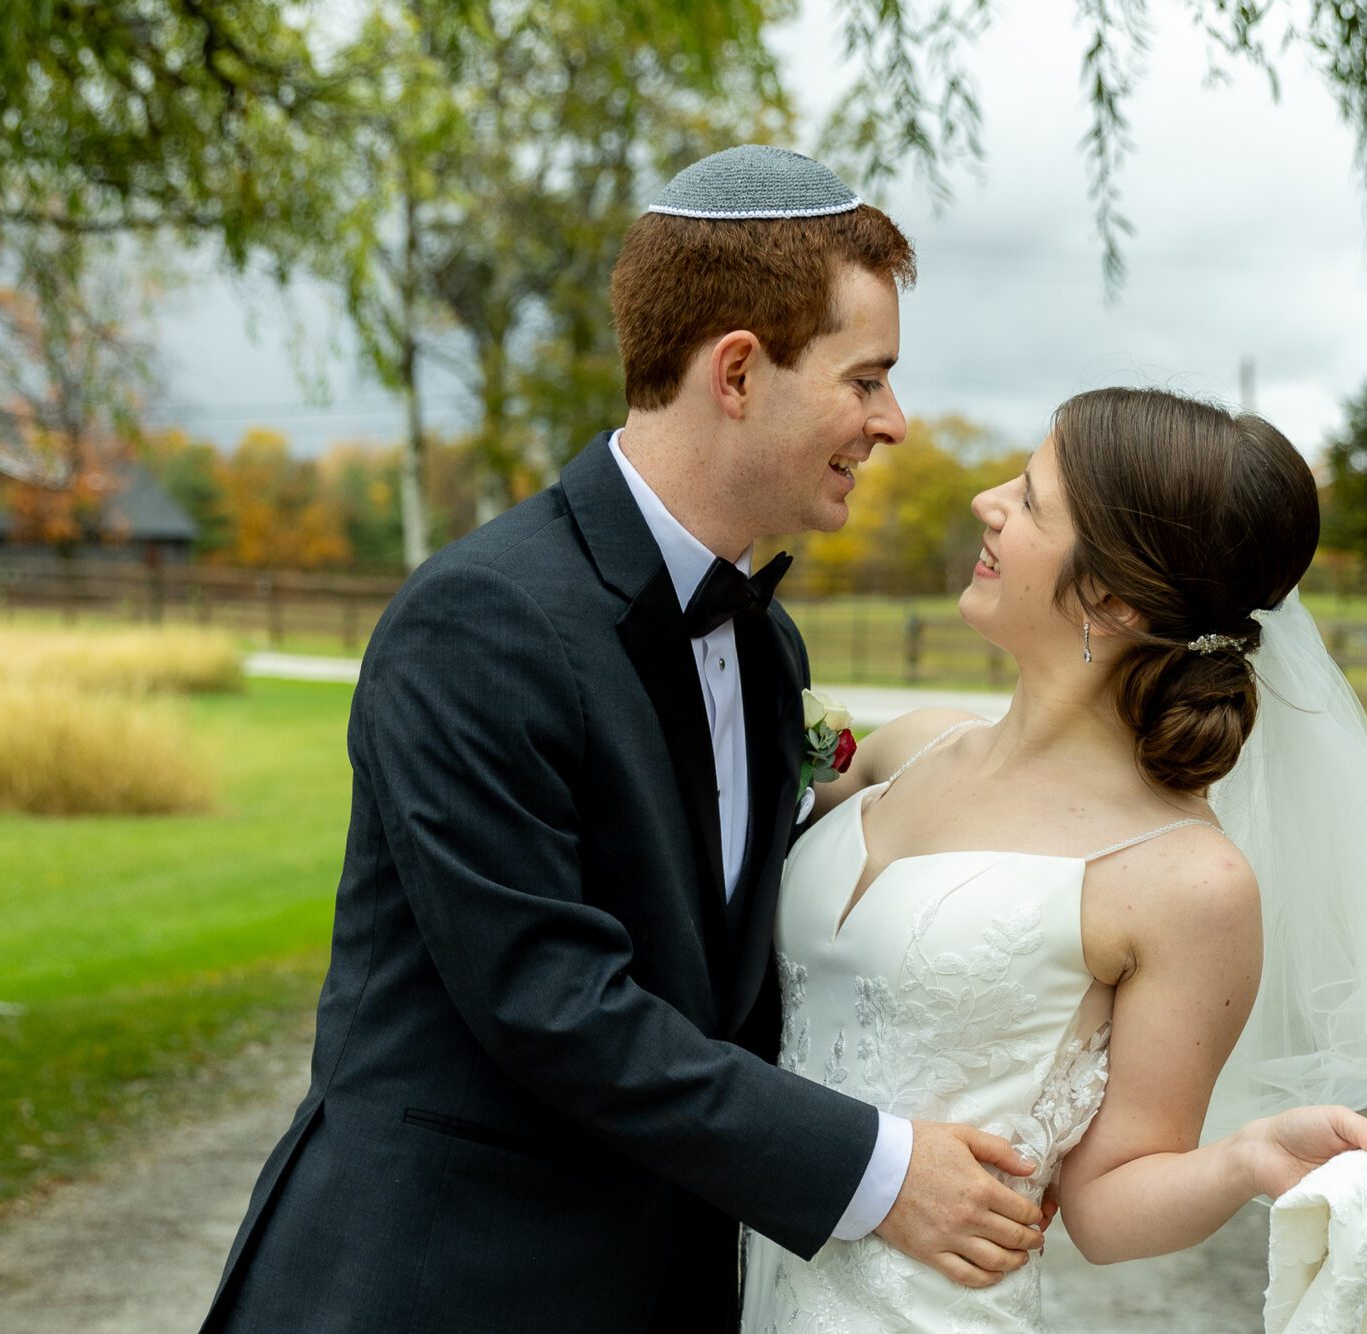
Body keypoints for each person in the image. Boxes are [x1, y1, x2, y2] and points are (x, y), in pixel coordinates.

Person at [198, 146, 1047, 1334]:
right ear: (739, 372)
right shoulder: (477, 620)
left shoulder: (767, 648)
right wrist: (877, 1171)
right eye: (865, 379)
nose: (891, 421)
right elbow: (553, 999)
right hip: (441, 1282)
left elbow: (733, 972)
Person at [740, 387, 1367, 1331]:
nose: (987, 503)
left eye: (1029, 500)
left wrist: (1243, 1157)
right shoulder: (913, 747)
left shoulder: (1187, 881)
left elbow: (1109, 1206)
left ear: (1110, 597)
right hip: (733, 1275)